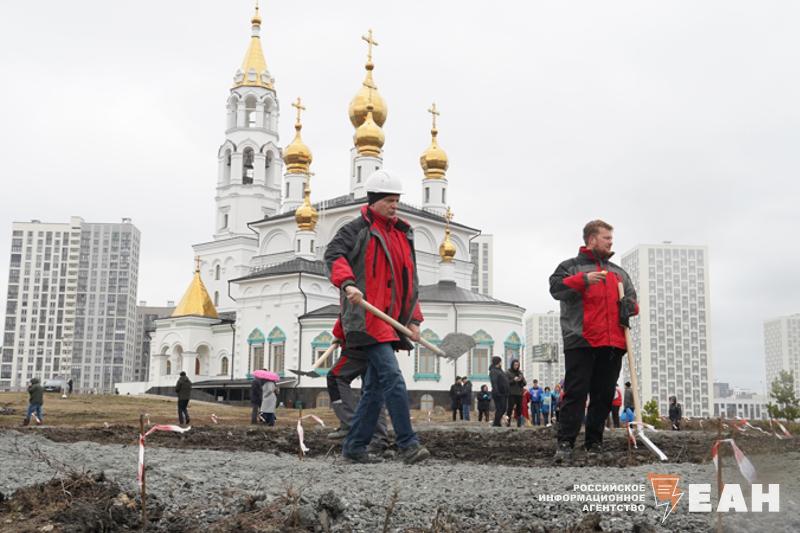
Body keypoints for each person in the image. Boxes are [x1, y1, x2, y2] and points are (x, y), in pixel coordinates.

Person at [324, 170, 429, 465]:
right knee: (393, 378)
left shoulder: (403, 234)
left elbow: (411, 281)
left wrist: (414, 319)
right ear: (373, 201)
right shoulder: (355, 229)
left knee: (374, 389)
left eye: (397, 200)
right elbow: (334, 256)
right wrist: (348, 284)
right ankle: (408, 444)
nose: (395, 206)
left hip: (391, 321)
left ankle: (354, 446)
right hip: (366, 319)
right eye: (389, 201)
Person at [549, 219, 638, 462]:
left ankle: (594, 443)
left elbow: (633, 301)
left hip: (613, 343)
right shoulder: (570, 267)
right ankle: (565, 443)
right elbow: (556, 288)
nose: (611, 242)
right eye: (606, 238)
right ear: (592, 239)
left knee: (604, 395)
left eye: (611, 238)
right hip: (581, 340)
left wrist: (629, 306)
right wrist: (583, 280)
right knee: (576, 393)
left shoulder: (619, 273)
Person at [325, 319, 391, 456]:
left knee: (335, 377)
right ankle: (378, 440)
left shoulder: (355, 303)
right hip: (380, 342)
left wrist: (339, 333)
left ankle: (351, 424)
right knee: (372, 390)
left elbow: (349, 312)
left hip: (358, 341)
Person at [505, 359, 526, 427]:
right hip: (511, 393)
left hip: (519, 393)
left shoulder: (520, 373)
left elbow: (524, 383)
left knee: (519, 409)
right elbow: (506, 382)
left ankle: (519, 424)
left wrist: (521, 380)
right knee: (510, 409)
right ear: (512, 365)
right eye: (515, 365)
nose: (516, 366)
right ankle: (508, 423)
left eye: (517, 365)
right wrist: (514, 380)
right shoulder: (508, 372)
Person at [489, 356, 509, 427]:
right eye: (500, 362)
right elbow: (494, 382)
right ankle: (496, 423)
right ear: (498, 362)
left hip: (504, 393)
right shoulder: (493, 371)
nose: (501, 363)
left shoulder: (500, 370)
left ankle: (497, 422)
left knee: (503, 408)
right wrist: (497, 392)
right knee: (501, 408)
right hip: (499, 393)